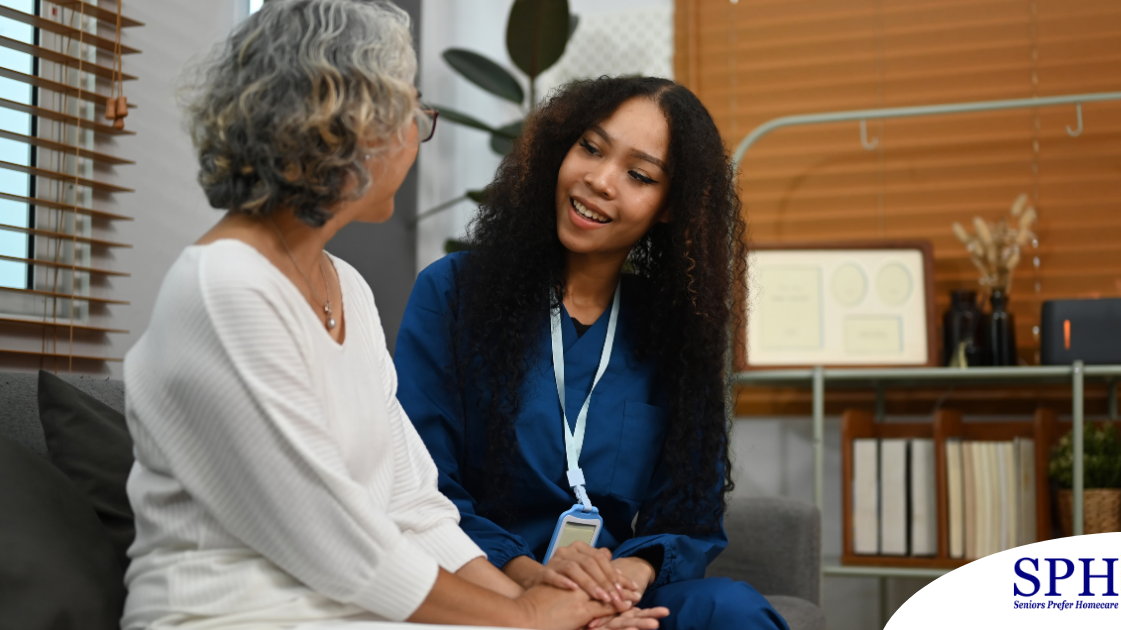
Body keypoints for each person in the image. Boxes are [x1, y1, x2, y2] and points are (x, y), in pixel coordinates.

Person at [121, 2, 660, 628]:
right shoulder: (225, 287)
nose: (418, 130)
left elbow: (414, 506)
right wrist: (527, 621)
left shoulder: (344, 286)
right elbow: (335, 545)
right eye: (412, 110)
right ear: (344, 125)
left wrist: (536, 605)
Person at [394, 76, 789, 630]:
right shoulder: (453, 294)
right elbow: (421, 482)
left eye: (639, 174)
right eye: (591, 148)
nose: (600, 180)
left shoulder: (676, 331)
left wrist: (627, 578)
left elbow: (689, 508)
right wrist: (536, 585)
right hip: (491, 588)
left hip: (617, 597)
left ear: (669, 206)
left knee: (733, 610)